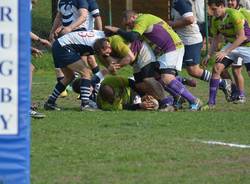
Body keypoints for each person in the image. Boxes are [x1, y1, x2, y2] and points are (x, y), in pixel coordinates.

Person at [105, 10, 202, 111]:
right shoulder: (144, 19)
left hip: (172, 47)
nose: (130, 27)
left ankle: (194, 101)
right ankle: (178, 98)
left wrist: (117, 30)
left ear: (133, 17)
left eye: (129, 24)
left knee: (166, 78)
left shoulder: (142, 19)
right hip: (165, 51)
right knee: (157, 78)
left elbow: (133, 37)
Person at [93, 35, 176, 111]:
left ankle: (166, 102)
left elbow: (130, 58)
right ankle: (168, 99)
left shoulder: (115, 42)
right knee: (140, 84)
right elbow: (115, 71)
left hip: (141, 51)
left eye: (106, 52)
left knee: (149, 79)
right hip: (136, 59)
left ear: (107, 45)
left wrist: (116, 66)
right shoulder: (106, 105)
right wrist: (142, 99)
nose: (107, 55)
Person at [202, 0, 250, 110]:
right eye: (210, 9)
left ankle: (238, 92)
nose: (213, 12)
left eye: (214, 9)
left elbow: (242, 37)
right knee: (217, 68)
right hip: (232, 45)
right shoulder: (215, 19)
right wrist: (209, 55)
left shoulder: (233, 14)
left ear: (222, 6)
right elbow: (215, 39)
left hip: (247, 45)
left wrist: (225, 52)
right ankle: (211, 103)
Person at [49, 0, 103, 97]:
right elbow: (59, 16)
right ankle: (87, 95)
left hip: (82, 35)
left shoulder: (87, 1)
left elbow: (86, 17)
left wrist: (99, 34)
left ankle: (93, 89)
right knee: (83, 71)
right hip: (67, 38)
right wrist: (53, 31)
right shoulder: (61, 1)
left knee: (88, 63)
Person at [44, 30, 105, 111]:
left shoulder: (99, 35)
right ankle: (85, 104)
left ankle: (50, 102)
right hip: (64, 46)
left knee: (69, 77)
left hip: (59, 45)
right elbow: (93, 59)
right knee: (86, 73)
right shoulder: (99, 43)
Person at [72, 76, 160, 111]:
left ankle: (162, 99)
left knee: (143, 81)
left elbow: (130, 82)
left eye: (113, 96)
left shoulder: (110, 80)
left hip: (132, 92)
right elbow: (124, 107)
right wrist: (139, 105)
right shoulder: (104, 105)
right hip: (130, 102)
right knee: (150, 105)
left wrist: (143, 94)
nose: (115, 99)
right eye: (111, 99)